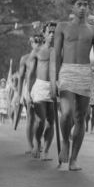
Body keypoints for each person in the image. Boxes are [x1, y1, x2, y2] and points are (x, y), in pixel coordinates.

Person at [54, 0, 94, 171]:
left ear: (89, 8)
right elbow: (56, 55)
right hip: (66, 71)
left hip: (84, 73)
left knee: (81, 117)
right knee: (66, 113)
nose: (82, 8)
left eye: (85, 5)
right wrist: (54, 79)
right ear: (73, 7)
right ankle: (65, 141)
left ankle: (74, 159)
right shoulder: (62, 27)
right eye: (79, 4)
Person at [28, 22, 57, 160]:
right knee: (40, 120)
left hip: (53, 86)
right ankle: (36, 142)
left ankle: (45, 151)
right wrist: (27, 93)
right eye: (49, 32)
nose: (52, 34)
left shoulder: (59, 51)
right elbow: (30, 74)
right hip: (39, 87)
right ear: (44, 34)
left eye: (54, 32)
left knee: (51, 122)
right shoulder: (37, 51)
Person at [17, 35, 42, 153]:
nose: (38, 43)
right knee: (31, 117)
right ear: (31, 43)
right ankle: (30, 145)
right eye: (35, 41)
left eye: (40, 41)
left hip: (42, 87)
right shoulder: (25, 58)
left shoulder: (45, 56)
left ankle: (38, 143)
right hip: (29, 88)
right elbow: (21, 78)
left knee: (42, 119)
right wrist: (19, 94)